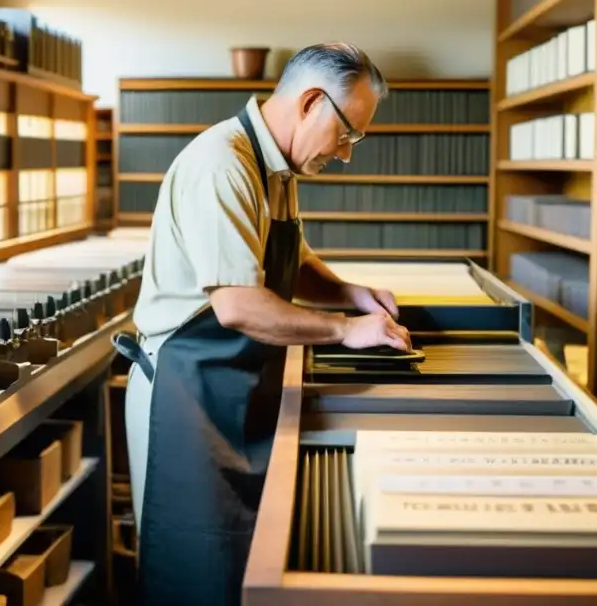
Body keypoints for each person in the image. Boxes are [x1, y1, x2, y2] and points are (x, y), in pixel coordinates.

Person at [120, 42, 411, 606]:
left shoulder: (276, 167)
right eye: (347, 134)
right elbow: (237, 306)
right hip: (184, 399)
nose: (347, 154)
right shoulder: (222, 163)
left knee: (237, 569)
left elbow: (292, 261)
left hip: (230, 388)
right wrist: (345, 330)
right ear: (309, 103)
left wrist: (354, 295)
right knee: (194, 574)